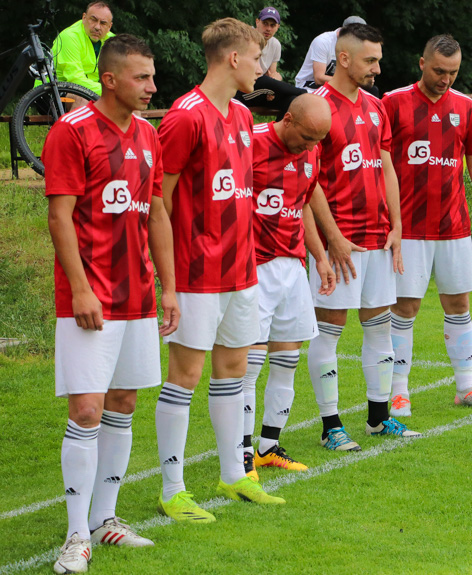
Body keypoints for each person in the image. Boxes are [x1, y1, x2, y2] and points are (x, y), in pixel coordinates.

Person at [43, 34, 178, 573]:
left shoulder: (148, 134)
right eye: (142, 77)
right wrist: (78, 287)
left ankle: (105, 519)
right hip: (90, 296)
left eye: (151, 77)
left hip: (138, 295)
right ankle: (76, 536)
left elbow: (157, 214)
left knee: (123, 402)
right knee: (86, 409)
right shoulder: (71, 131)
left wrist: (167, 286)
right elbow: (59, 216)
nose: (151, 86)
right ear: (110, 79)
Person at [154, 17, 284, 525]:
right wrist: (167, 279)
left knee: (234, 369)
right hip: (195, 273)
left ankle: (235, 474)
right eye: (256, 59)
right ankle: (172, 489)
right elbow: (156, 203)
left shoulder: (239, 115)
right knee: (185, 376)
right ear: (234, 59)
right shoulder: (185, 117)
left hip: (241, 269)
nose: (262, 68)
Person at [307, 23, 420, 451]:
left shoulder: (376, 107)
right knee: (329, 331)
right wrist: (331, 237)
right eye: (370, 60)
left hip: (377, 238)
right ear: (344, 58)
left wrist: (397, 225)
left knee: (379, 327)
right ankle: (330, 425)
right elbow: (308, 180)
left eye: (378, 58)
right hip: (341, 242)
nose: (377, 67)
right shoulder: (313, 106)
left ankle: (378, 417)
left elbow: (386, 166)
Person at [382, 34, 472, 417]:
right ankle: (398, 392)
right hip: (408, 227)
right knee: (405, 306)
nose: (445, 78)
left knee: (458, 303)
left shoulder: (465, 108)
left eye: (452, 72)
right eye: (438, 70)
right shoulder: (394, 103)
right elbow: (379, 164)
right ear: (421, 63)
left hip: (453, 226)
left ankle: (465, 387)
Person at [241, 94, 336, 477]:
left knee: (288, 356)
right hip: (254, 267)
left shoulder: (310, 152)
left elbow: (302, 202)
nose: (311, 147)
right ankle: (242, 452)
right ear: (288, 119)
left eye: (318, 141)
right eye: (307, 138)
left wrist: (321, 256)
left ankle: (268, 445)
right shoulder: (251, 143)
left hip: (292, 265)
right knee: (248, 363)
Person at [236, 7, 306, 117]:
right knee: (262, 80)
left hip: (262, 92)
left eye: (272, 25)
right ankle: (305, 93)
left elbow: (273, 75)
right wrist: (273, 84)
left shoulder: (275, 44)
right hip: (243, 91)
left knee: (291, 100)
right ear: (257, 22)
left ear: (277, 27)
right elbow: (258, 75)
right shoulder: (248, 38)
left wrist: (274, 87)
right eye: (265, 23)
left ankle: (278, 132)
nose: (268, 28)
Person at [294, 16, 379, 97]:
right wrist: (350, 82)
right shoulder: (323, 42)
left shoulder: (355, 45)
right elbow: (319, 78)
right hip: (310, 86)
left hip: (339, 85)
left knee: (372, 90)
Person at [46, 2, 116, 96]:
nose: (97, 27)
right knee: (81, 96)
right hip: (50, 91)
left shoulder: (112, 41)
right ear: (84, 18)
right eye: (93, 20)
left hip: (87, 90)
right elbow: (75, 80)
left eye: (103, 23)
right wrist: (111, 91)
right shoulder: (70, 37)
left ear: (109, 27)